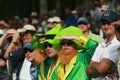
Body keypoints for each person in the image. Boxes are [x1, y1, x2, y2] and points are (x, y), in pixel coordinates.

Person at [87, 11, 120, 80]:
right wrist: (99, 67)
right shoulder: (101, 43)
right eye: (103, 24)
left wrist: (93, 65)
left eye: (109, 23)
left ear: (116, 25)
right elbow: (88, 71)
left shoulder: (117, 44)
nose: (106, 27)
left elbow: (100, 69)